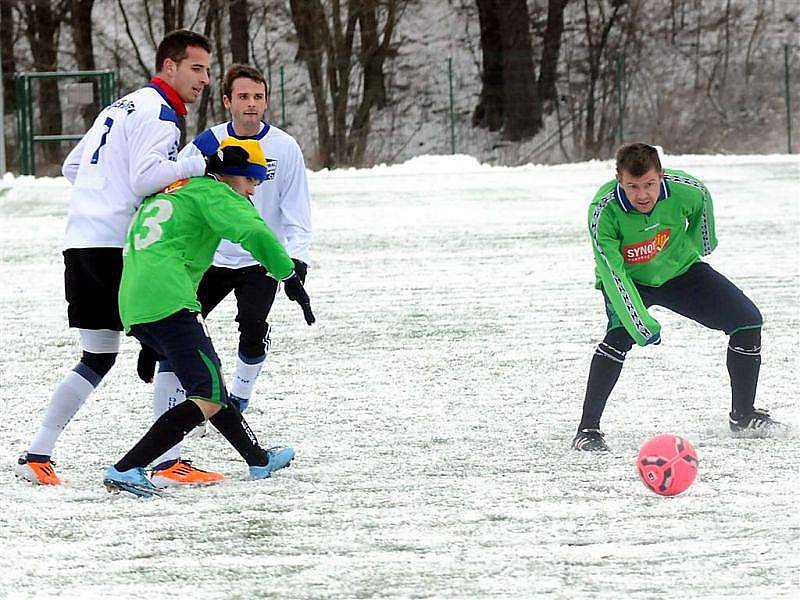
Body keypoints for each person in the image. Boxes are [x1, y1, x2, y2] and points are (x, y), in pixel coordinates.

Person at [15, 30, 213, 485]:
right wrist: (194, 161)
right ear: (170, 67)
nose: (203, 78)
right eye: (196, 68)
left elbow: (72, 167)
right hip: (120, 250)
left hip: (82, 241)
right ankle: (169, 462)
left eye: (206, 69)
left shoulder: (120, 105)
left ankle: (37, 454)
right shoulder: (160, 115)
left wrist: (100, 198)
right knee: (175, 344)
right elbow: (147, 179)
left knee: (98, 354)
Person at [103, 137, 314, 498]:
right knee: (208, 393)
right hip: (169, 298)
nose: (253, 189)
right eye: (251, 181)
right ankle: (126, 469)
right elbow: (254, 230)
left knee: (210, 381)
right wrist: (288, 274)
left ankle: (258, 458)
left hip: (136, 299)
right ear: (231, 175)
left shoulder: (174, 188)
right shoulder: (213, 192)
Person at [136, 63, 313, 487]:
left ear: (266, 100)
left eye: (258, 97)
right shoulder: (208, 142)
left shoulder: (285, 147)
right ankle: (168, 458)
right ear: (227, 101)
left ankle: (241, 397)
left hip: (260, 261)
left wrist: (296, 261)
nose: (251, 105)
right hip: (210, 262)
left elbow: (296, 209)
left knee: (251, 328)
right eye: (243, 97)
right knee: (178, 346)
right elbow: (175, 185)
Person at [572, 142, 787, 451]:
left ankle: (743, 416)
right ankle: (587, 430)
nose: (642, 194)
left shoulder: (686, 189)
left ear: (661, 175)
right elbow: (612, 273)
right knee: (619, 337)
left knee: (747, 321)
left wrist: (701, 243)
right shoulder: (602, 211)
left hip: (679, 271)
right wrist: (641, 324)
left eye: (649, 184)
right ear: (619, 179)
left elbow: (702, 204)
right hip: (629, 282)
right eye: (633, 186)